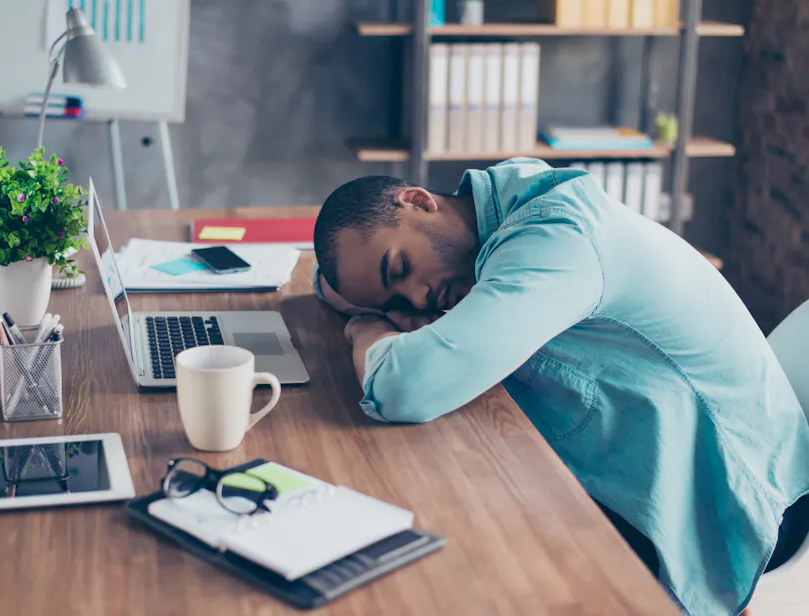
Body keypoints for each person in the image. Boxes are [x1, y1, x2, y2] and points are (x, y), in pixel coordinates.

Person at [311, 158, 809, 616]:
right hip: (652, 460)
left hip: (731, 504)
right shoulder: (499, 210)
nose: (418, 297)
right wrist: (375, 301)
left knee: (464, 556)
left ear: (419, 201)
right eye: (396, 296)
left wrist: (369, 331)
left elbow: (408, 387)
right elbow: (329, 281)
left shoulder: (555, 237)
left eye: (401, 269)